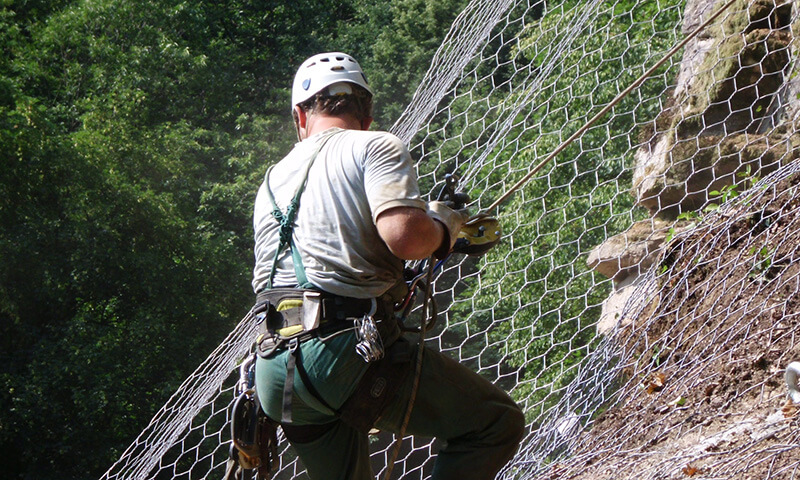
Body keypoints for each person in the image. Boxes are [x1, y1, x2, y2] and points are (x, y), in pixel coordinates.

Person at [251, 52, 524, 480]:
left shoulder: (270, 182)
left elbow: (329, 254)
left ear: (300, 116)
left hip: (274, 373)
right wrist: (444, 226)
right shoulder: (374, 144)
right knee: (494, 424)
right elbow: (407, 237)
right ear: (367, 110)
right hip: (341, 356)